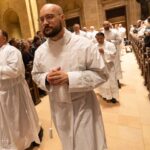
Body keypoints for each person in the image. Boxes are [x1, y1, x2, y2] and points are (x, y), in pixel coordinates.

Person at [32, 3, 108, 150]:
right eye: (41, 19)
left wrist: (70, 78)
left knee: (89, 145)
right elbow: (36, 75)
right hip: (59, 109)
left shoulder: (84, 44)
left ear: (62, 17)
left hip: (83, 107)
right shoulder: (40, 52)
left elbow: (101, 73)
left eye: (49, 17)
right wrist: (46, 79)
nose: (45, 23)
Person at [0, 29, 41, 150]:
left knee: (17, 118)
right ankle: (9, 142)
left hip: (14, 91)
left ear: (4, 38)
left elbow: (15, 70)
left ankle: (23, 142)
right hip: (2, 91)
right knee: (5, 120)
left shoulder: (12, 51)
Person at [95, 32, 119, 103]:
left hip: (109, 66)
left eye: (100, 38)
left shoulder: (110, 44)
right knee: (103, 81)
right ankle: (105, 95)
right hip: (100, 67)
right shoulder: (95, 46)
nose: (99, 40)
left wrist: (104, 51)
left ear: (104, 37)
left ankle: (114, 97)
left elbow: (114, 54)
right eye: (97, 39)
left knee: (111, 81)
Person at [103, 21, 122, 88]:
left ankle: (117, 81)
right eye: (105, 25)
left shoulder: (114, 32)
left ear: (109, 25)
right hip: (105, 53)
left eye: (107, 24)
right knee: (108, 67)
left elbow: (120, 40)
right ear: (103, 26)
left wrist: (111, 41)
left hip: (114, 52)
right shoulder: (101, 33)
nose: (106, 26)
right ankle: (110, 82)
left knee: (116, 66)